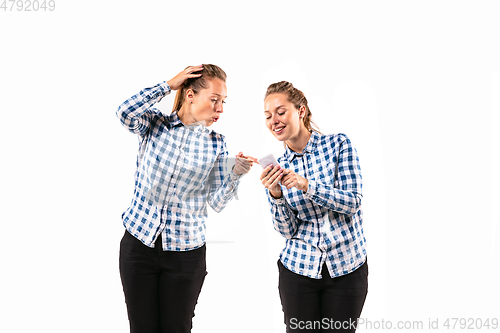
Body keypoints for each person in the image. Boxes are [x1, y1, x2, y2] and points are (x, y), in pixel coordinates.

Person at [116, 64, 254, 333]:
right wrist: (169, 84)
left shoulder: (217, 143)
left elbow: (217, 202)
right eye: (214, 100)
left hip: (185, 256)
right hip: (138, 247)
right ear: (190, 95)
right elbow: (124, 112)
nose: (220, 109)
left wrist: (235, 172)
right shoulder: (154, 124)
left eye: (223, 102)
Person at [259, 81, 368, 332]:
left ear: (301, 111)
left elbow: (353, 202)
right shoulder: (280, 166)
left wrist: (307, 185)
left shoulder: (338, 145)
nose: (273, 120)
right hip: (298, 270)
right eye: (267, 116)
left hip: (346, 269)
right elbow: (287, 231)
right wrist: (275, 194)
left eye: (280, 111)